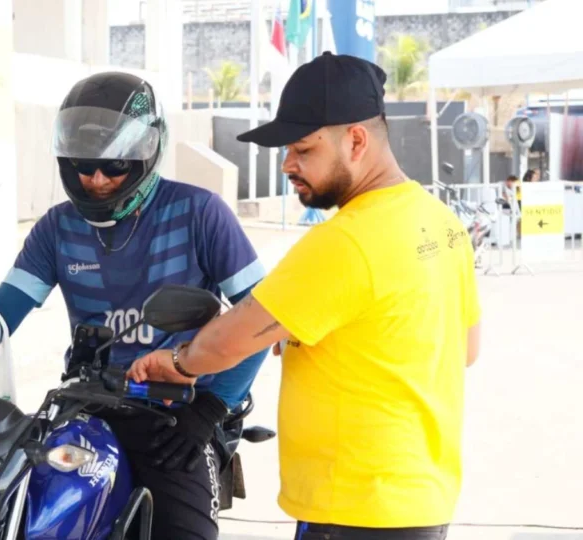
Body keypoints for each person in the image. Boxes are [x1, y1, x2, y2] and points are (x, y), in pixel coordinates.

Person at [0, 71, 269, 540]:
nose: (96, 180)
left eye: (114, 168)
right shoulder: (57, 228)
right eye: (83, 166)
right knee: (23, 517)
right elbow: (3, 310)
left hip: (178, 414)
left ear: (147, 156)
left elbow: (264, 318)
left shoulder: (199, 213)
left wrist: (211, 408)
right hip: (88, 402)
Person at [128, 52, 482, 540]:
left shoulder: (347, 240)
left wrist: (178, 362)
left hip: (353, 508)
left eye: (303, 149)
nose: (288, 165)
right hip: (421, 501)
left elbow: (231, 341)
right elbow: (465, 349)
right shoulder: (441, 223)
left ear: (356, 140)